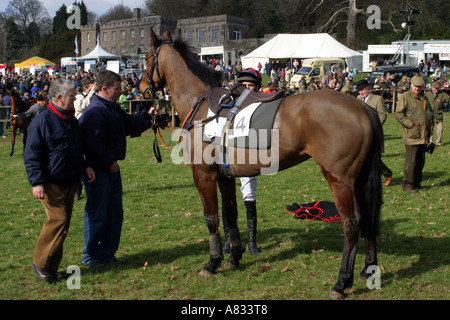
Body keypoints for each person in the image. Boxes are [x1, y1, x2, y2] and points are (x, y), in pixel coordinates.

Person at [79, 70, 158, 268]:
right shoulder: (95, 111)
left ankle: (107, 252)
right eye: (117, 88)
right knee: (97, 212)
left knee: (115, 212)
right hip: (98, 170)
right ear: (104, 89)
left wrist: (147, 116)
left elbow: (129, 125)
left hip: (111, 169)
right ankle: (90, 256)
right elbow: (92, 143)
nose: (120, 91)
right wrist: (108, 161)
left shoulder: (112, 108)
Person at [23, 79, 96, 282]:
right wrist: (36, 182)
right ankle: (40, 263)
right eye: (72, 95)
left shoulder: (70, 119)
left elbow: (75, 149)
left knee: (63, 226)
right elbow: (32, 154)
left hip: (69, 181)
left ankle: (51, 267)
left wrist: (85, 166)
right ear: (59, 98)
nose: (75, 98)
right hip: (50, 182)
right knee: (58, 220)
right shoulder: (42, 121)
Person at [223, 68, 263, 256]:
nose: (247, 90)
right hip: (227, 155)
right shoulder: (228, 104)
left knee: (249, 196)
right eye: (244, 86)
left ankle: (252, 242)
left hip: (248, 155)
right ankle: (227, 240)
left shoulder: (261, 105)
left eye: (251, 86)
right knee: (226, 198)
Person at [395, 76, 433, 193]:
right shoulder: (406, 97)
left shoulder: (424, 98)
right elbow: (399, 114)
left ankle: (417, 183)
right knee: (411, 162)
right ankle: (407, 184)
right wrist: (411, 125)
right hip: (412, 135)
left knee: (420, 161)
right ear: (411, 85)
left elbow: (430, 116)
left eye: (419, 87)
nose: (417, 89)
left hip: (423, 135)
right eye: (416, 87)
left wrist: (430, 135)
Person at [356, 79, 393, 186]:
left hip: (373, 133)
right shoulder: (358, 99)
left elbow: (382, 114)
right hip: (360, 133)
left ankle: (387, 174)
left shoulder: (377, 99)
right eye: (359, 90)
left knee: (372, 157)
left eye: (363, 89)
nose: (361, 92)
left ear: (369, 89)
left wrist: (375, 126)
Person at [425, 81, 449, 147]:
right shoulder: (428, 94)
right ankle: (430, 142)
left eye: (438, 88)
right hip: (429, 114)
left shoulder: (442, 94)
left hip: (438, 114)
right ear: (432, 88)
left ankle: (438, 142)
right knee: (430, 128)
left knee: (440, 129)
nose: (437, 90)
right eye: (435, 88)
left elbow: (448, 99)